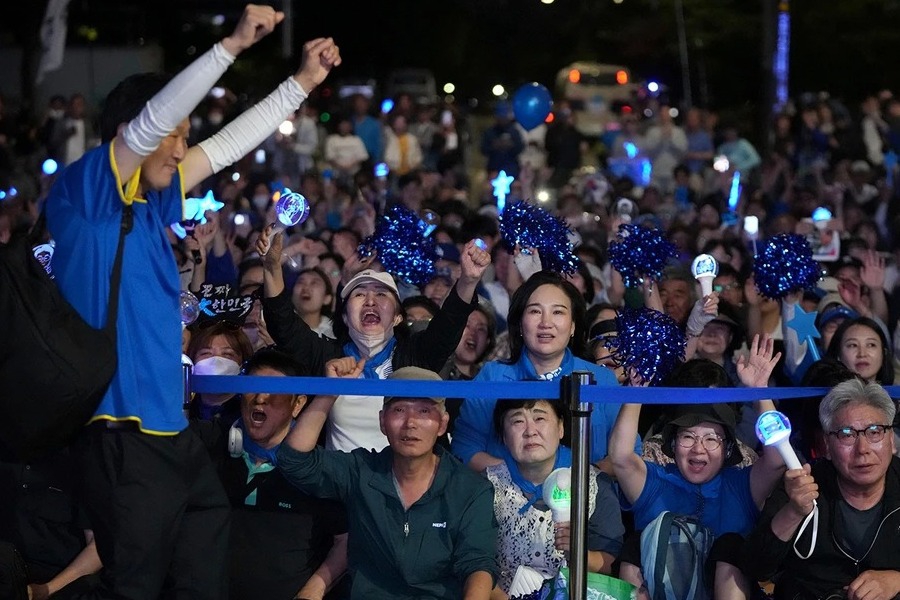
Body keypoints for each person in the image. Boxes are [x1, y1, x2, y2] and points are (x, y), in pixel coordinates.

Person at [43, 6, 341, 596]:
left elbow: (228, 145)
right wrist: (229, 45)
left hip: (167, 433)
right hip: (120, 432)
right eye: (175, 138)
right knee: (136, 583)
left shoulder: (152, 205)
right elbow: (153, 123)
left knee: (205, 543)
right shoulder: (87, 192)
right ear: (139, 133)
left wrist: (301, 85)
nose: (183, 151)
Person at [277, 364, 498, 600]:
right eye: (400, 410)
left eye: (424, 411)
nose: (410, 422)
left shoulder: (470, 489)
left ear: (443, 424)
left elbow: (477, 564)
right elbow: (294, 461)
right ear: (383, 421)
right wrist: (330, 392)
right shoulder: (361, 471)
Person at [257, 227, 490, 451]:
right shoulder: (328, 358)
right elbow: (283, 324)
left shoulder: (414, 357)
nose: (370, 300)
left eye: (381, 294)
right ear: (346, 317)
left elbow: (448, 324)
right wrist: (271, 267)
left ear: (398, 317)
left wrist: (468, 279)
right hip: (337, 487)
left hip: (401, 485)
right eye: (359, 294)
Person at [609, 335, 786, 599]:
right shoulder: (656, 483)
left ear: (728, 447)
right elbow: (621, 456)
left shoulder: (740, 484)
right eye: (688, 437)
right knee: (636, 543)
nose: (698, 448)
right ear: (672, 442)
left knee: (730, 546)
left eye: (711, 438)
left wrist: (759, 391)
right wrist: (636, 392)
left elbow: (776, 460)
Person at [194, 349, 348, 600]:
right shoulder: (209, 444)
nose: (260, 398)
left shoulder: (319, 470)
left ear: (298, 404)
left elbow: (345, 541)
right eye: (253, 387)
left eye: (273, 389)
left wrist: (312, 592)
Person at [744, 379, 900, 600]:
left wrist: (896, 579)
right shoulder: (801, 484)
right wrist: (794, 511)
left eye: (874, 432)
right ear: (826, 446)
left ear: (892, 440)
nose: (862, 449)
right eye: (847, 434)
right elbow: (756, 567)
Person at [452, 271, 622, 474]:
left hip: (585, 497)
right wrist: (517, 480)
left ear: (573, 326)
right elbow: (465, 447)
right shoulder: (493, 376)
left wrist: (581, 479)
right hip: (507, 499)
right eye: (535, 311)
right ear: (520, 324)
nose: (546, 323)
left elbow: (625, 454)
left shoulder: (601, 380)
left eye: (558, 312)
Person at [488, 398, 624, 598]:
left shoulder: (595, 484)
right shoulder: (486, 485)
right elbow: (475, 563)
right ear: (504, 437)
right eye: (518, 421)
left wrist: (576, 551)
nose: (530, 431)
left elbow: (608, 565)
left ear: (561, 428)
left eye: (540, 418)